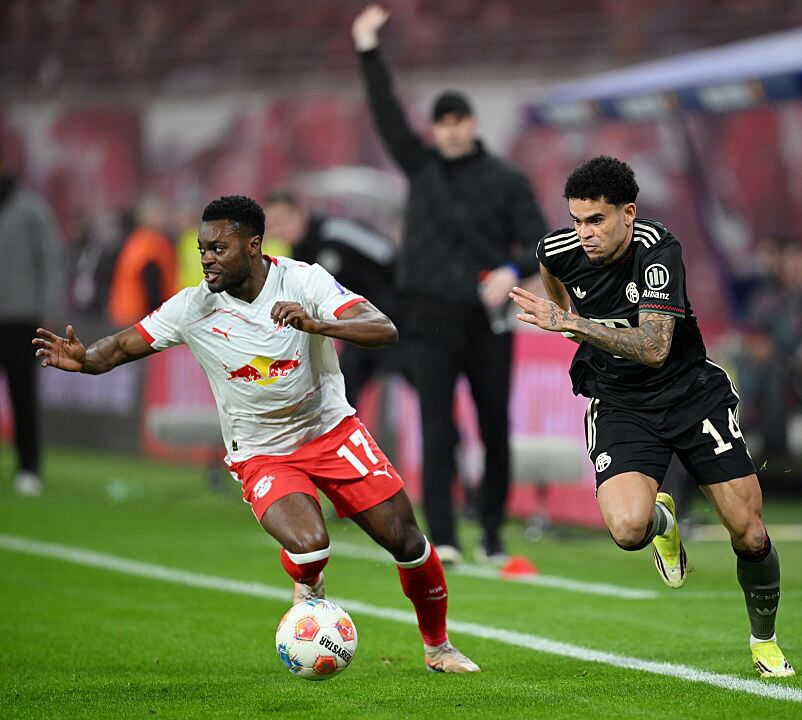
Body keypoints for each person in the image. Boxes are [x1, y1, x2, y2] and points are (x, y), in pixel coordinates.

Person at [33, 195, 479, 673]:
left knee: (408, 542)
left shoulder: (304, 280)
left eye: (217, 249)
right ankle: (308, 579)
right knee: (311, 545)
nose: (206, 259)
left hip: (331, 431)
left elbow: (383, 328)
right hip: (262, 452)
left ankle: (438, 647)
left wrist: (318, 323)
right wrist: (85, 359)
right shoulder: (194, 307)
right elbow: (121, 347)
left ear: (253, 246)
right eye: (203, 249)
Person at [510, 156, 794, 678]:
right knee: (626, 529)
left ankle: (764, 640)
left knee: (749, 532)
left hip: (690, 394)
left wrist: (571, 324)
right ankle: (663, 519)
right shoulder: (559, 249)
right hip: (620, 402)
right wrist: (568, 314)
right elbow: (550, 268)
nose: (584, 233)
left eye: (596, 220)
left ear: (628, 213)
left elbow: (656, 348)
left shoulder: (658, 251)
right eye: (576, 220)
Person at [352, 5, 548, 564]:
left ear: (472, 123)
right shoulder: (421, 167)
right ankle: (444, 536)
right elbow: (387, 112)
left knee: (494, 428)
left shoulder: (506, 180)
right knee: (436, 429)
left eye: (459, 119)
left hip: (488, 321)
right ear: (435, 128)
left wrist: (512, 271)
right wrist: (368, 49)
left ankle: (491, 532)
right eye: (442, 121)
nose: (451, 128)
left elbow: (541, 240)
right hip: (428, 319)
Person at [264, 189, 402, 407]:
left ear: (301, 213)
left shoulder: (336, 232)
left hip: (399, 318)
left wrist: (397, 305)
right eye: (273, 224)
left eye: (283, 219)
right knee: (342, 392)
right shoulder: (295, 258)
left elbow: (388, 255)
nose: (279, 229)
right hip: (360, 327)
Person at [0, 151, 65, 496]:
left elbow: (51, 259)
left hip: (21, 318)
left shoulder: (31, 209)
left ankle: (28, 467)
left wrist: (48, 309)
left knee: (22, 395)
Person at [107, 194, 177, 327]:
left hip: (126, 313)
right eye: (160, 212)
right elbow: (151, 283)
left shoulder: (136, 240)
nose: (165, 216)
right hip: (141, 316)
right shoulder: (152, 243)